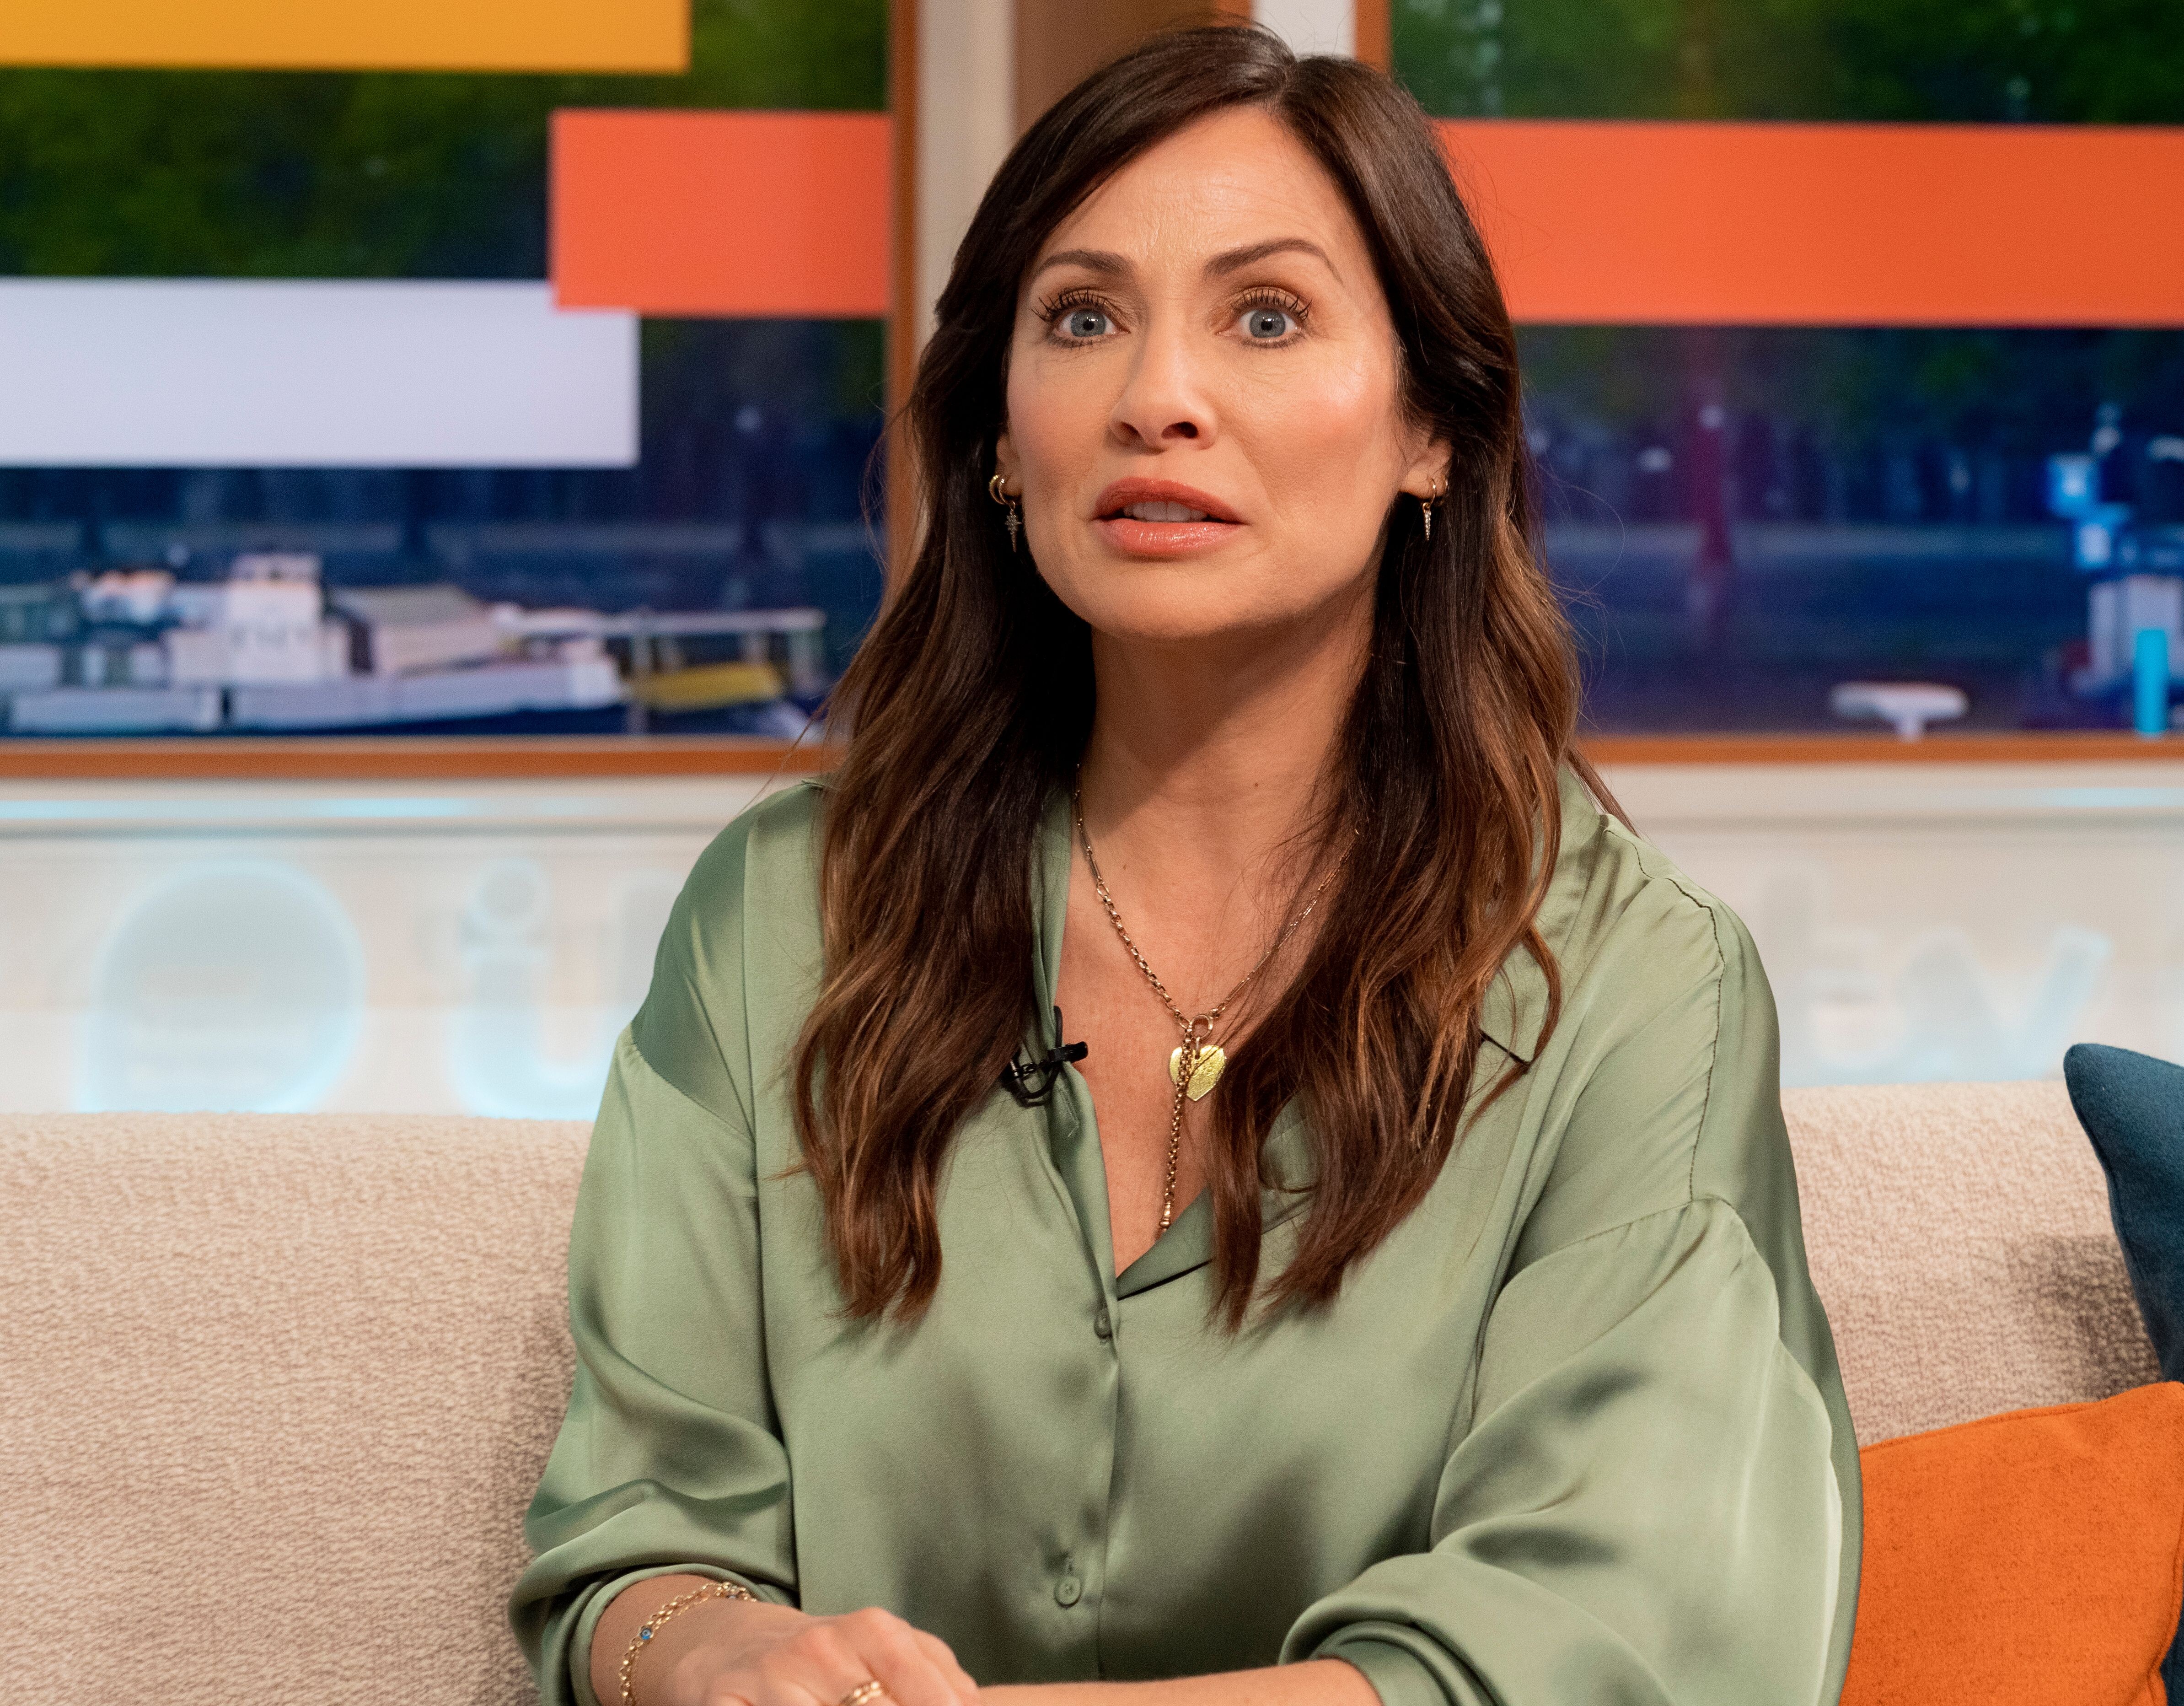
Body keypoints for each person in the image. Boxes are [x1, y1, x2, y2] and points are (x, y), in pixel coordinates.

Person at [511, 25, 1859, 1706]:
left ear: (1434, 429)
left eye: (1267, 316)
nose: (1157, 396)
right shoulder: (783, 917)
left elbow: (1615, 1633)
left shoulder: (1635, 985)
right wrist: (715, 1651)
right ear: (1001, 438)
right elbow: (635, 1531)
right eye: (1082, 318)